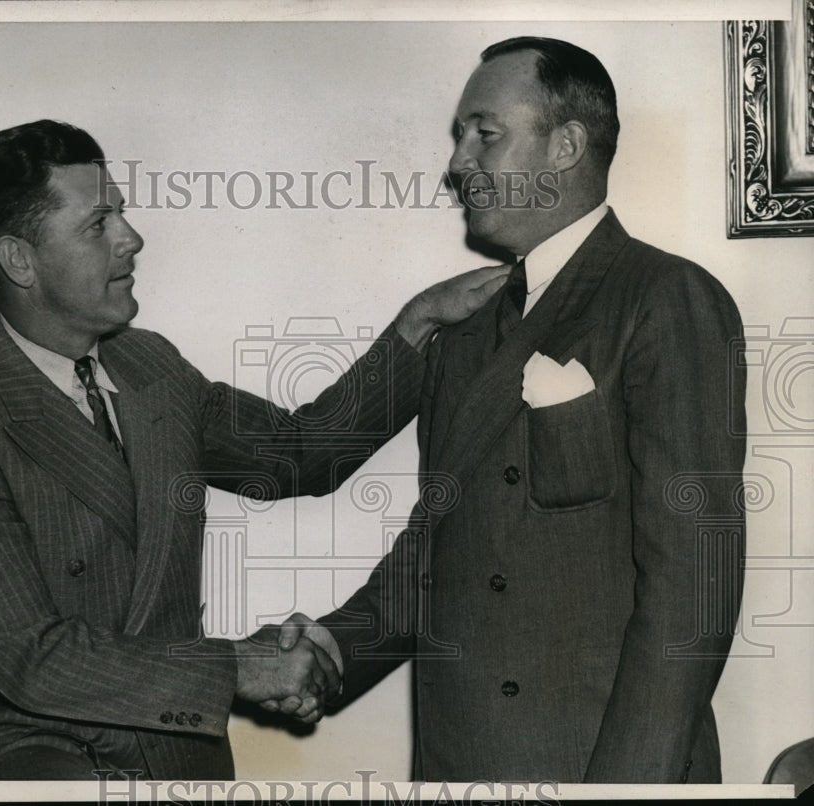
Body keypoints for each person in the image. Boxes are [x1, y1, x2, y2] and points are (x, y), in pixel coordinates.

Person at [0, 119, 507, 781]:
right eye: (99, 224)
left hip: (178, 752)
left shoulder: (147, 365)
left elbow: (298, 453)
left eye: (121, 212)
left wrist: (420, 324)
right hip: (24, 758)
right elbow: (32, 660)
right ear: (20, 260)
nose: (133, 238)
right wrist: (239, 667)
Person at [283, 36, 747, 783]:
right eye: (460, 137)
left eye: (484, 134)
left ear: (565, 145)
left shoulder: (663, 298)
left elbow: (694, 589)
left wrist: (627, 794)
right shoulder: (462, 330)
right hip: (460, 762)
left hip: (599, 767)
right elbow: (440, 551)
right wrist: (337, 648)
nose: (458, 162)